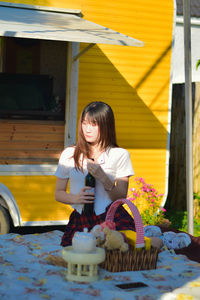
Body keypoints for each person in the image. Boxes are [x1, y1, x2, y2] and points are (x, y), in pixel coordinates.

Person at [55, 101, 135, 246]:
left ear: (106, 126)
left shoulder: (120, 154)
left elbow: (121, 195)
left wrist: (103, 177)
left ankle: (164, 241)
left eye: (93, 124)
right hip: (81, 218)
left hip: (111, 218)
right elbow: (58, 193)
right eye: (84, 123)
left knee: (123, 250)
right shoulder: (69, 153)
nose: (87, 129)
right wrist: (76, 198)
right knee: (77, 255)